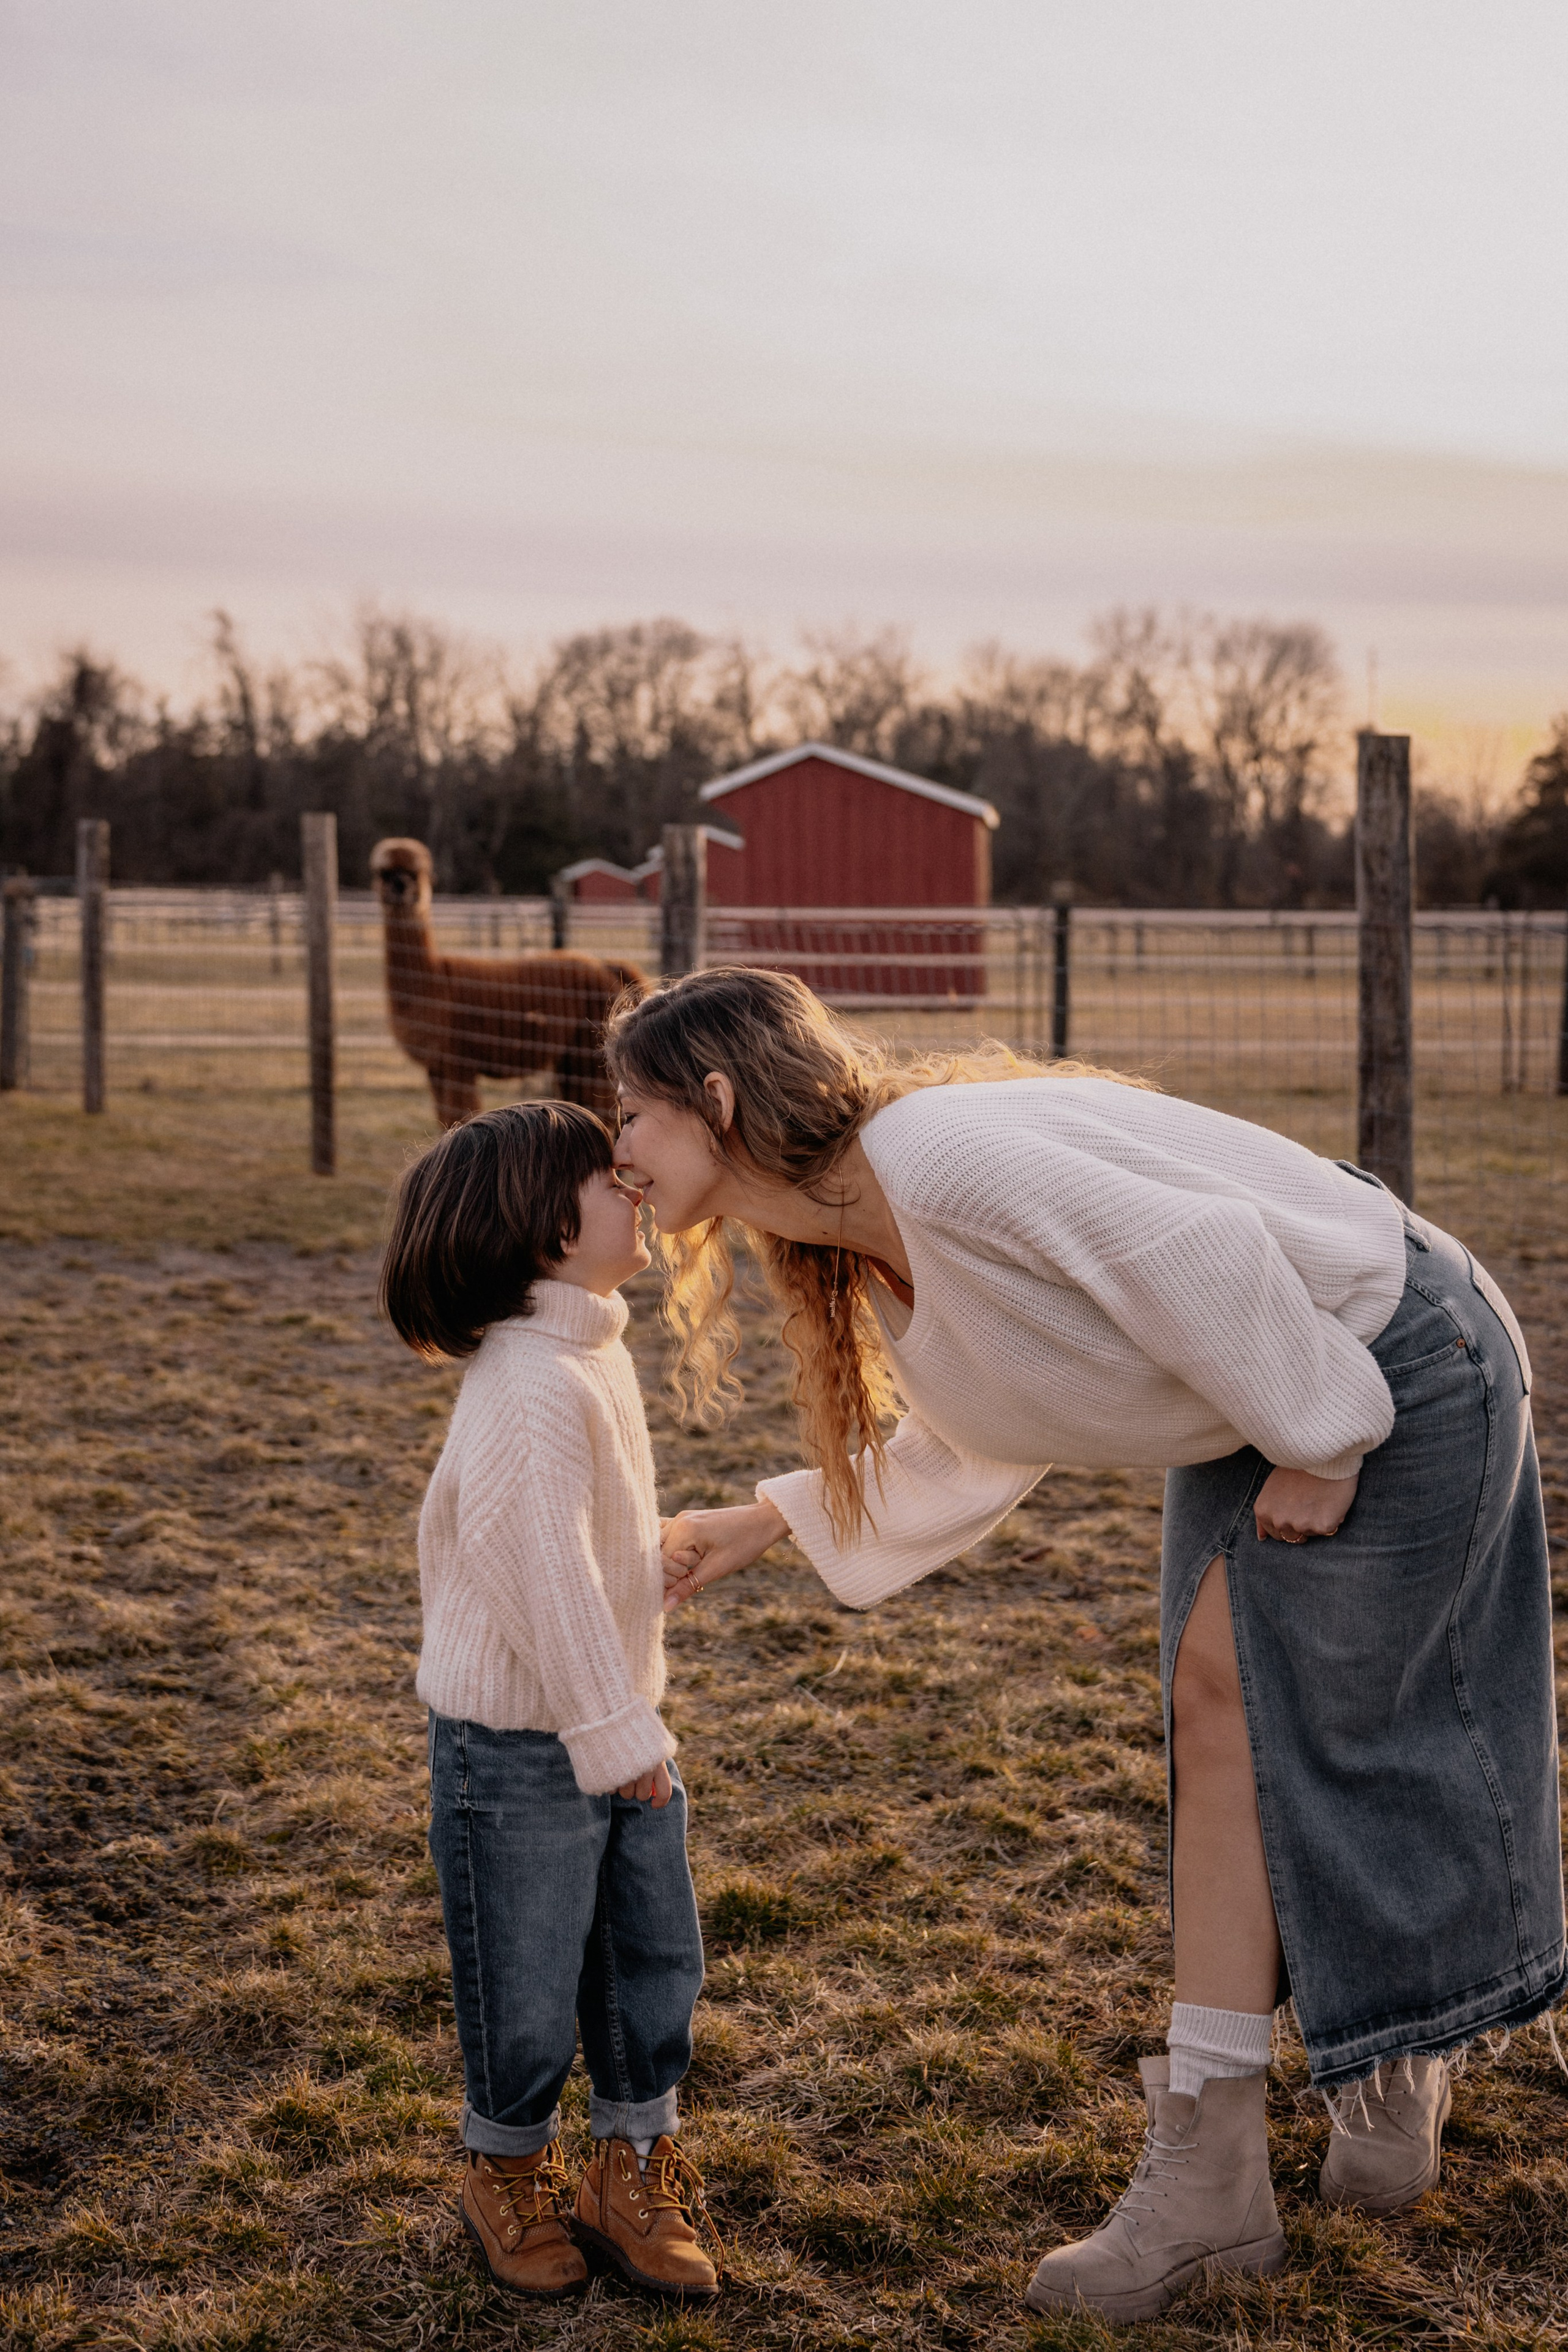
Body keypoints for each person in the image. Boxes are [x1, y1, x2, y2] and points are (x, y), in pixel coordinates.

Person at [608, 967, 1561, 2325]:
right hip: (1266, 1378)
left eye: (633, 1112)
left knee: (1336, 1720)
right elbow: (1000, 1416)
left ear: (714, 1099)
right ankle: (1229, 2160)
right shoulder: (858, 1226)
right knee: (1217, 1705)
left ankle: (1374, 2060)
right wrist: (761, 1519)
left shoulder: (934, 1163)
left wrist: (1323, 1432)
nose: (617, 1147)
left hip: (1386, 1356)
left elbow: (1205, 1259)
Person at [381, 1101, 719, 2304]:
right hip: (522, 1748)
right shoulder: (526, 1379)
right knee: (523, 1978)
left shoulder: (586, 1346)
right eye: (602, 1172)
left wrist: (653, 1562)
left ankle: (630, 2163)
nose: (632, 1180)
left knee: (647, 1955)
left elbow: (586, 1550)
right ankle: (508, 2165)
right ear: (537, 1226)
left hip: (606, 1716)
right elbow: (539, 1572)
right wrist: (613, 1729)